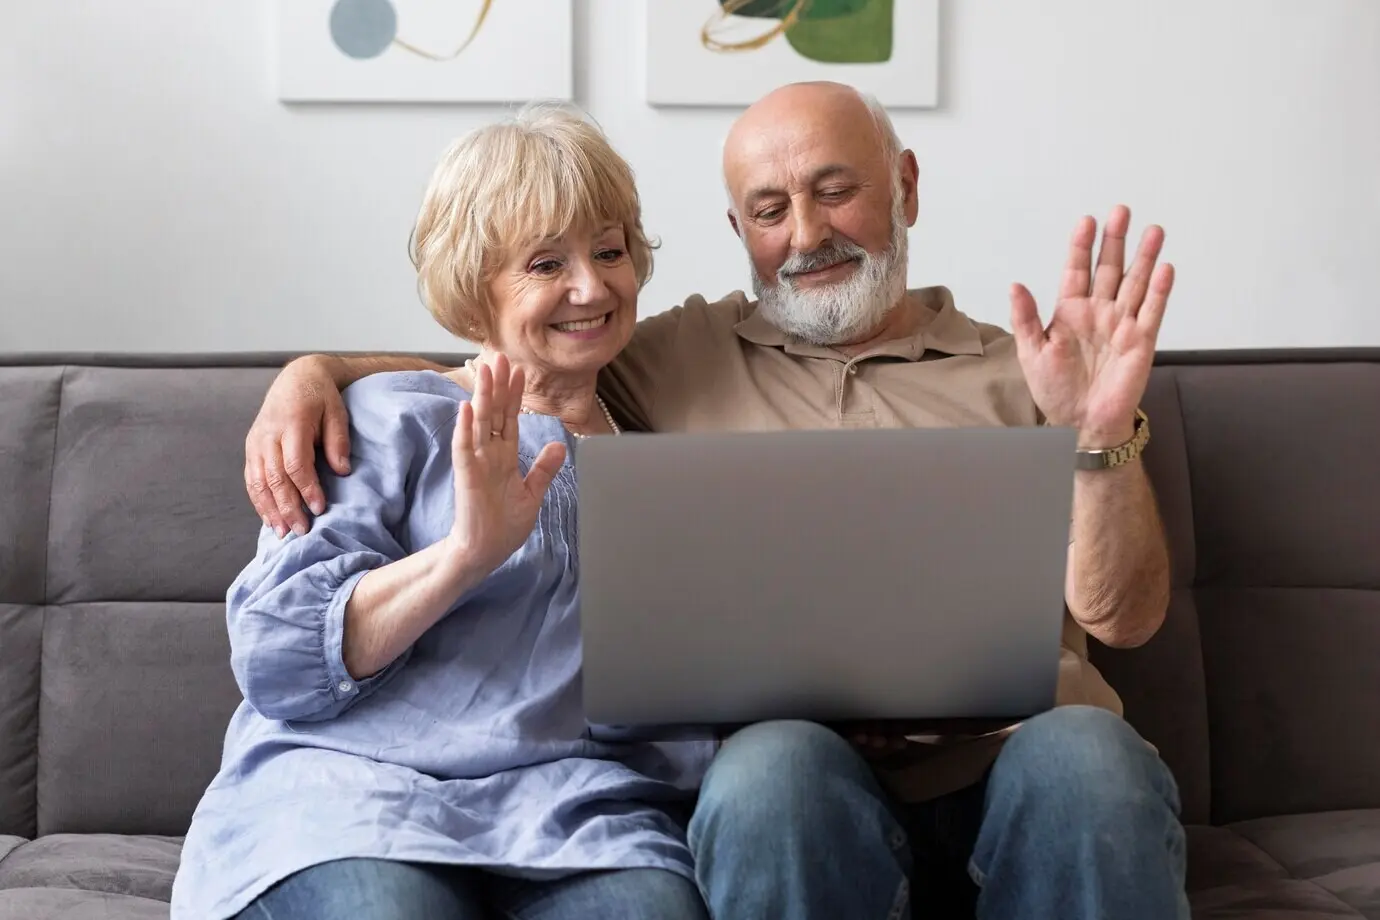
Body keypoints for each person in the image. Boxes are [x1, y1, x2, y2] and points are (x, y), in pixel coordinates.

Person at [243, 82, 1188, 919]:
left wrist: (1099, 434)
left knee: (1087, 755)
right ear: (739, 232)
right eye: (770, 208)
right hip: (802, 784)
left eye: (835, 189)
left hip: (1019, 758)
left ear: (904, 185)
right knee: (772, 768)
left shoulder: (1029, 369)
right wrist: (316, 370)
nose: (807, 234)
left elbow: (1125, 616)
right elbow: (517, 360)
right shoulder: (674, 356)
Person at [172, 104, 719, 920]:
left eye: (610, 251)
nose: (591, 286)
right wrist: (465, 553)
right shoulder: (386, 418)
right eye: (545, 263)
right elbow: (279, 659)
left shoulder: (663, 453)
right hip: (354, 799)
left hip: (578, 816)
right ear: (475, 289)